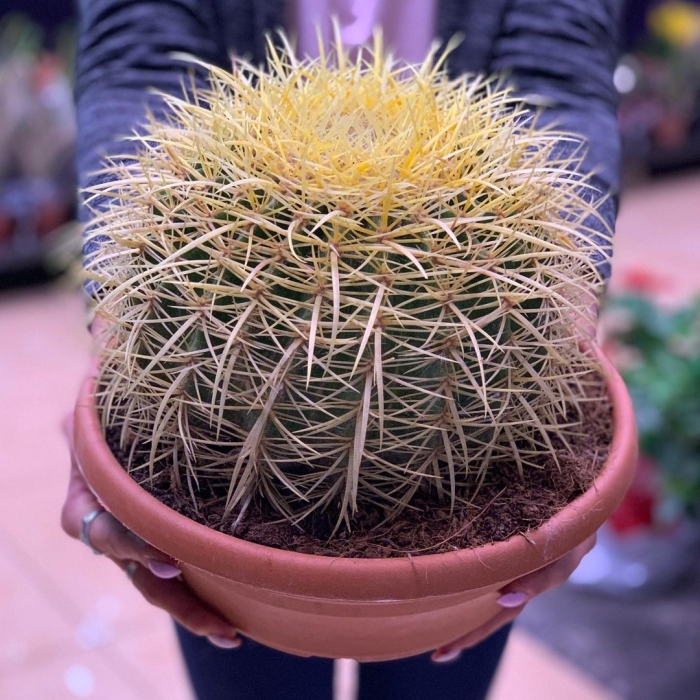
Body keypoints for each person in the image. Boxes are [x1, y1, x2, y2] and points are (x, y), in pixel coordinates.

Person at [62, 2, 622, 698]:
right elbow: (137, 63)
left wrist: (562, 308)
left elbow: (560, 81)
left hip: (469, 227)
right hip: (239, 208)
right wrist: (121, 318)